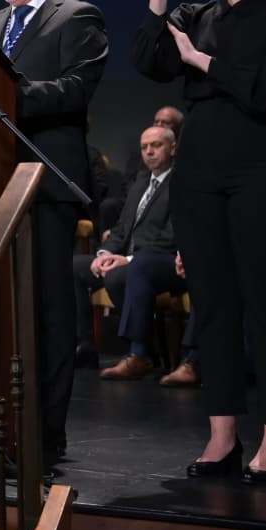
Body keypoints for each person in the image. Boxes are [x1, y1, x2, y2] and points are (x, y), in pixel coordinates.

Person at [133, 0, 266, 484]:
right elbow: (149, 61)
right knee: (211, 305)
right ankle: (222, 438)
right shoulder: (195, 15)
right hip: (202, 174)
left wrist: (202, 62)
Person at [0, 0, 108, 466]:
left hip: (46, 185)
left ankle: (45, 435)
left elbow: (76, 89)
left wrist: (7, 96)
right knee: (0, 316)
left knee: (49, 315)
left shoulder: (78, 17)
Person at [69, 125, 179, 380]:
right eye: (144, 147)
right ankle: (85, 346)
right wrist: (104, 254)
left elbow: (172, 237)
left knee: (120, 275)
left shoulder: (181, 182)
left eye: (156, 145)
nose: (149, 152)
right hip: (125, 258)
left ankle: (138, 352)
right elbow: (121, 228)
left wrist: (126, 259)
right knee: (75, 266)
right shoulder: (141, 182)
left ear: (173, 149)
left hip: (157, 260)